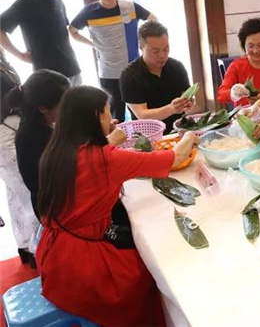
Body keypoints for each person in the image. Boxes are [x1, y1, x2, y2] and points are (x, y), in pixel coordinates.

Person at [36, 86, 197, 326]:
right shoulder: (106, 158)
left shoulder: (57, 150)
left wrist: (109, 137)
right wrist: (190, 134)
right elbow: (176, 156)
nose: (110, 118)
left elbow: (91, 161)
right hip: (83, 267)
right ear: (95, 117)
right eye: (107, 112)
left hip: (54, 254)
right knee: (151, 270)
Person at [69, 0, 157, 122]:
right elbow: (72, 31)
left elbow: (153, 20)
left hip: (133, 68)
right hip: (108, 71)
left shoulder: (129, 7)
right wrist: (94, 45)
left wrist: (143, 43)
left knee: (141, 113)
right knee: (115, 116)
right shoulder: (89, 12)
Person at [0, 0, 82, 85]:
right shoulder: (27, 1)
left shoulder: (58, 0)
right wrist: (20, 55)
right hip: (49, 79)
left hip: (73, 70)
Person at [14, 70, 71, 219]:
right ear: (43, 108)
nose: (69, 107)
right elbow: (63, 173)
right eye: (64, 103)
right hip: (55, 208)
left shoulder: (44, 122)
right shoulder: (31, 137)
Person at [0, 50, 39, 266]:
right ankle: (36, 248)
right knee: (28, 192)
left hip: (11, 130)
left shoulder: (2, 59)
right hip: (5, 135)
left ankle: (26, 245)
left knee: (16, 194)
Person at [120, 21, 193, 133]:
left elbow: (186, 97)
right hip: (148, 135)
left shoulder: (177, 67)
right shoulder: (129, 75)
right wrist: (171, 109)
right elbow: (142, 115)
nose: (162, 55)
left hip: (178, 129)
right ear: (141, 47)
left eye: (166, 49)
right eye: (155, 51)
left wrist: (188, 103)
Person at [217, 18, 260, 106]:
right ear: (244, 46)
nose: (255, 51)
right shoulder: (236, 66)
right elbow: (221, 95)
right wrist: (233, 93)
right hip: (243, 113)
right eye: (251, 46)